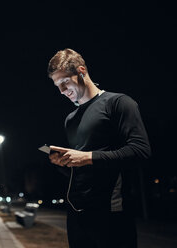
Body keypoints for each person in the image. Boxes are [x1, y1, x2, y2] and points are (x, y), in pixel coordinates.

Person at [46, 48, 151, 248]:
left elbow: (141, 151)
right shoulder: (71, 119)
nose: (61, 91)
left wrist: (87, 157)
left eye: (65, 82)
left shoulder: (118, 103)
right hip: (77, 214)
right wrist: (63, 163)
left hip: (112, 213)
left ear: (82, 71)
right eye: (56, 86)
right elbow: (82, 168)